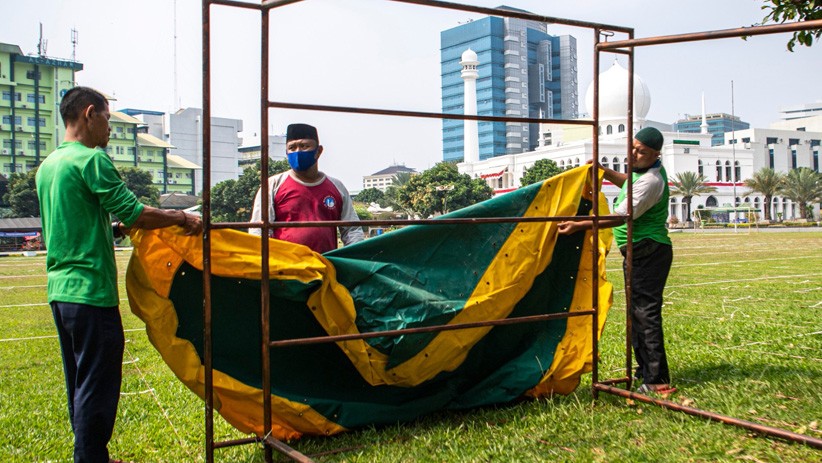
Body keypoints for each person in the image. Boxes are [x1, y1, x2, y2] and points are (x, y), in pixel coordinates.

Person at [35, 86, 203, 463]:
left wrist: (111, 230)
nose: (110, 129)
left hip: (60, 293)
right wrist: (181, 218)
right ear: (89, 114)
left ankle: (92, 452)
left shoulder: (49, 166)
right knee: (98, 382)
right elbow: (136, 212)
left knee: (79, 380)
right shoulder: (91, 160)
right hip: (90, 292)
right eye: (108, 120)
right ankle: (90, 458)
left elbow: (70, 223)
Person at [558, 127, 675, 395]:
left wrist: (582, 225)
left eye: (641, 152)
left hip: (648, 250)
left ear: (656, 155)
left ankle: (657, 380)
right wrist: (606, 172)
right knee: (638, 312)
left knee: (645, 313)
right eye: (632, 148)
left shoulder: (651, 181)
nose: (633, 155)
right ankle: (645, 372)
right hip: (638, 250)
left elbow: (622, 216)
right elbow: (628, 184)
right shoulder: (643, 174)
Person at [249, 123, 364, 253]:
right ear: (286, 152)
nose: (298, 151)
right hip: (285, 267)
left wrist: (355, 259)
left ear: (318, 151)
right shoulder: (273, 185)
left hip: (325, 265)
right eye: (292, 147)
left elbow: (352, 230)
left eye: (304, 146)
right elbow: (258, 230)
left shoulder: (336, 187)